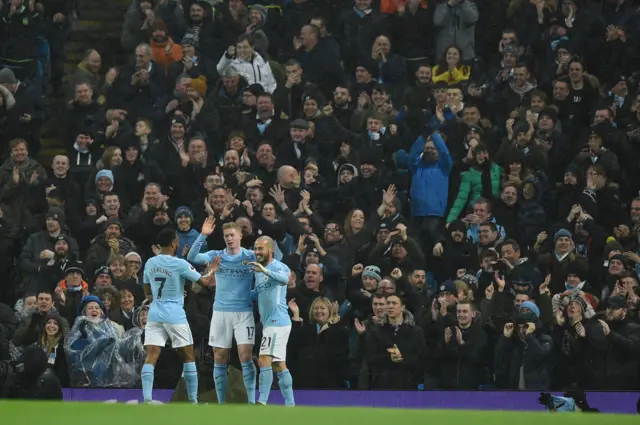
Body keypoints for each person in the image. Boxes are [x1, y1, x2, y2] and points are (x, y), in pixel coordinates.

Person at [187, 218, 257, 404]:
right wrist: (203, 235)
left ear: (240, 235)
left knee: (245, 356)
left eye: (232, 235)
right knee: (219, 356)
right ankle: (221, 403)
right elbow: (192, 257)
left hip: (243, 312)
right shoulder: (217, 255)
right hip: (221, 312)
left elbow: (271, 259)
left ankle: (252, 401)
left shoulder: (250, 256)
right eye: (226, 236)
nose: (229, 239)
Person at [141, 228, 214, 404]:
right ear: (175, 243)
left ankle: (147, 400)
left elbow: (146, 291)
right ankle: (193, 401)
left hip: (155, 313)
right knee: (188, 356)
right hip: (175, 315)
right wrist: (212, 270)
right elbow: (204, 282)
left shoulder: (150, 263)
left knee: (151, 356)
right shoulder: (179, 264)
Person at [250, 236, 295, 406]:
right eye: (255, 248)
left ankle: (261, 402)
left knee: (263, 360)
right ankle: (290, 405)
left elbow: (285, 280)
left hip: (278, 320)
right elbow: (257, 293)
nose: (256, 252)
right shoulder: (258, 270)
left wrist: (265, 270)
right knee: (278, 365)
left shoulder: (279, 267)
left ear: (271, 250)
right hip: (271, 322)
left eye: (260, 248)